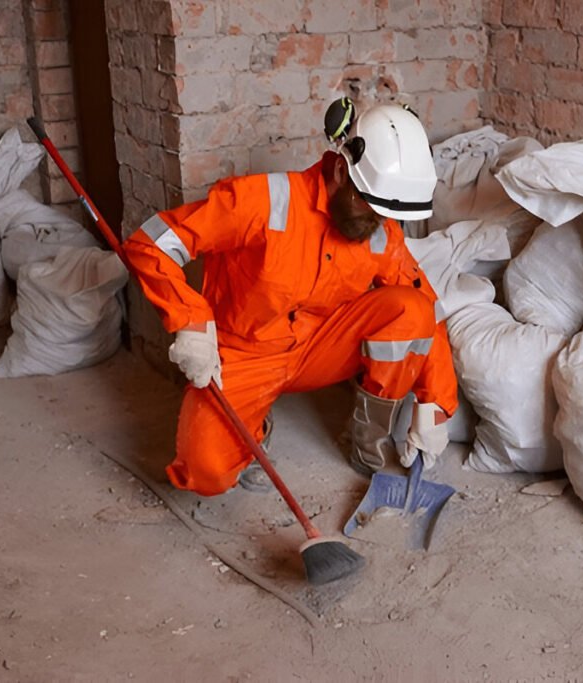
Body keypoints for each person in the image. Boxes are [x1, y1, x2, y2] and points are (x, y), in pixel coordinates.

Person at [122, 102, 459, 496]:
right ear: (339, 169)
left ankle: (368, 444)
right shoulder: (261, 201)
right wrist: (190, 320)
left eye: (384, 214)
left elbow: (427, 305)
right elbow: (150, 244)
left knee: (411, 309)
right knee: (205, 472)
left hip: (320, 346)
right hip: (248, 353)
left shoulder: (378, 228)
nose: (374, 222)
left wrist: (436, 403)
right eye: (368, 205)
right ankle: (253, 427)